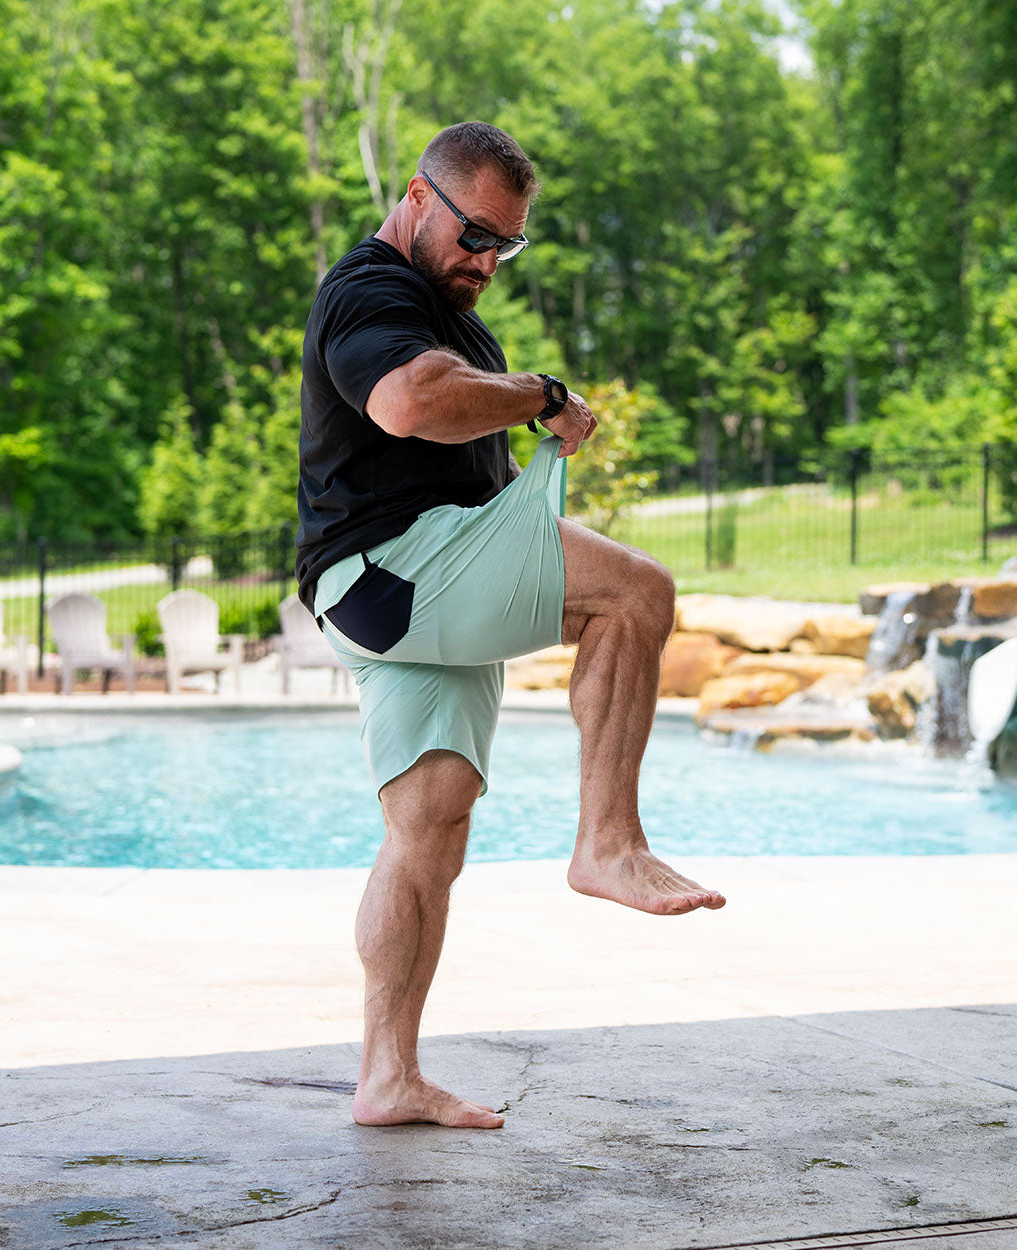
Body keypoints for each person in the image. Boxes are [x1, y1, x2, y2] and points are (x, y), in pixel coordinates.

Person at [295, 121, 726, 1131]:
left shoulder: (444, 308)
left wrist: (530, 407)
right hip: (400, 569)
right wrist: (539, 394)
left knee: (428, 828)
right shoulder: (371, 292)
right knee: (637, 594)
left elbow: (454, 398)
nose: (487, 260)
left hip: (401, 591)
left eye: (506, 245)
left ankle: (386, 1073)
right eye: (475, 235)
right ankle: (608, 842)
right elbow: (408, 401)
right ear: (416, 197)